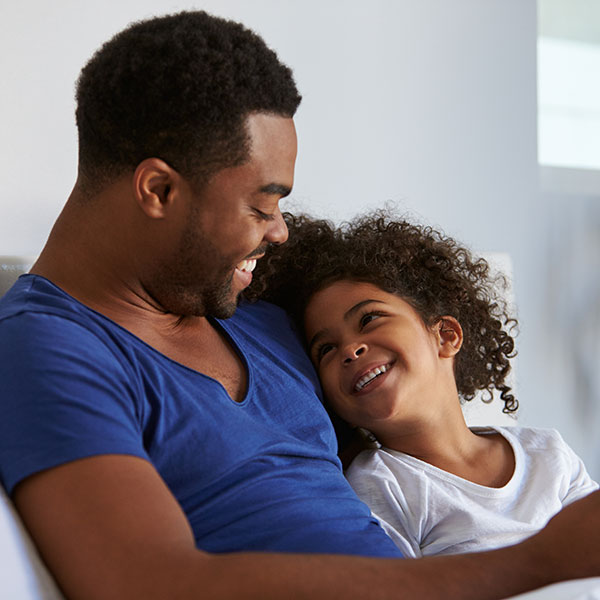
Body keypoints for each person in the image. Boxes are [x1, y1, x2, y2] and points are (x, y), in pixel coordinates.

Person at [0, 10, 599, 600]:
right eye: (262, 206)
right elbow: (148, 582)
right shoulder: (47, 349)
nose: (280, 231)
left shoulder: (269, 315)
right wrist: (534, 561)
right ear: (159, 190)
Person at [247, 212, 599, 558]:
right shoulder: (382, 484)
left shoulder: (547, 452)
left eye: (369, 319)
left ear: (446, 335)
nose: (350, 350)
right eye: (326, 349)